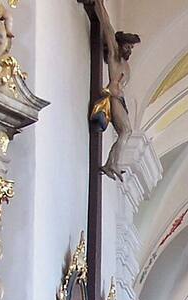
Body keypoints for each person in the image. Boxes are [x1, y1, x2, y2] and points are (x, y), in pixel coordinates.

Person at [84, 0, 140, 182]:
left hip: (120, 100)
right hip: (113, 97)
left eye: (131, 47)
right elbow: (107, 26)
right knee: (126, 131)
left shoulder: (125, 64)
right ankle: (112, 164)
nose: (129, 50)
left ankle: (111, 163)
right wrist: (99, 4)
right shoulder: (114, 57)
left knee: (126, 132)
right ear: (119, 45)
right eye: (127, 46)